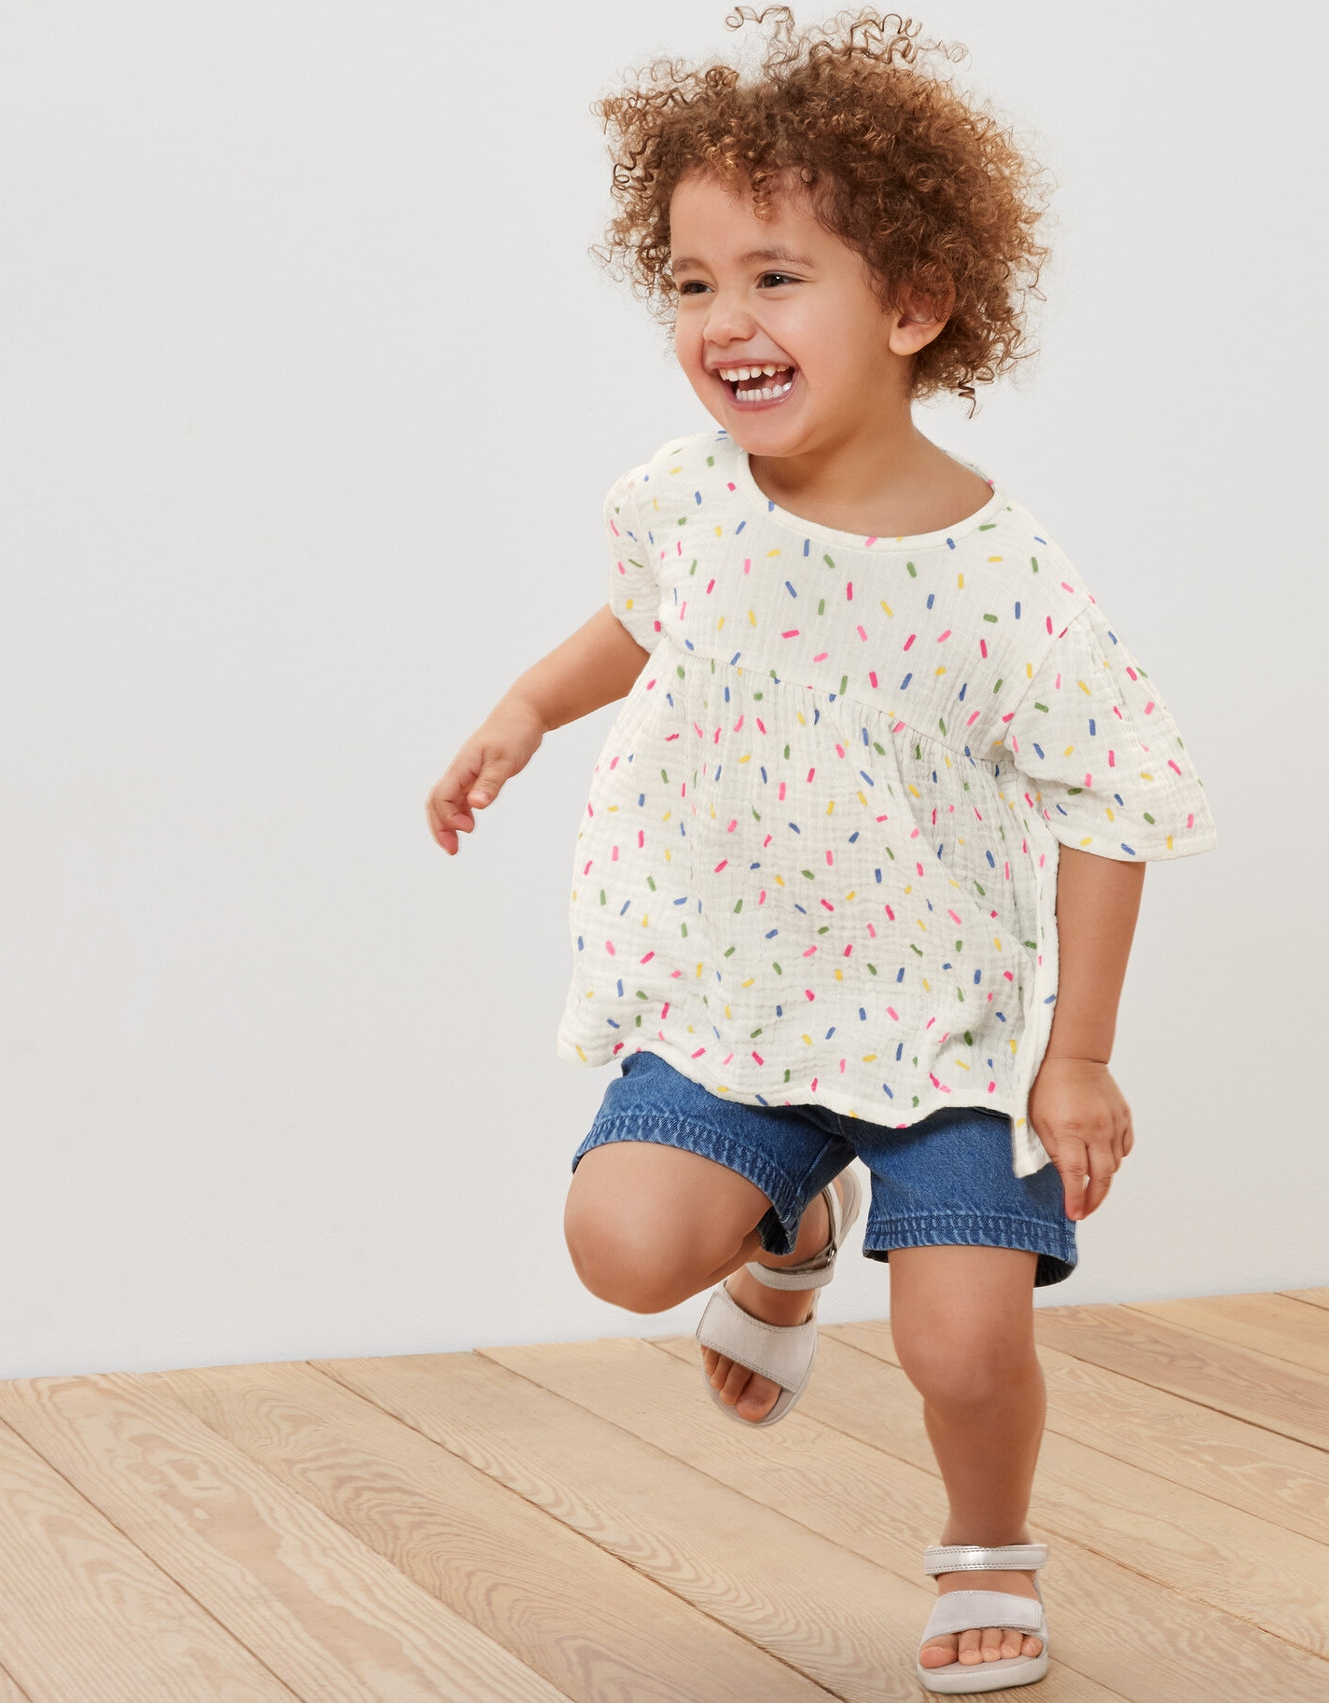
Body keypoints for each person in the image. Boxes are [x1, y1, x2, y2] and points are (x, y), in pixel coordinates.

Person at [427, 9, 1214, 1690]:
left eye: (775, 277)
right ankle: (786, 1233)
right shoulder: (691, 498)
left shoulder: (1006, 580)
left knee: (962, 1337)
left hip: (945, 1039)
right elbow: (640, 619)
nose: (725, 322)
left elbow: (1114, 805)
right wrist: (522, 710)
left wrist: (1079, 1058)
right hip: (743, 999)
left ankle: (987, 1541)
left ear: (913, 306)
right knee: (624, 1247)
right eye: (694, 284)